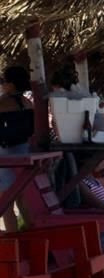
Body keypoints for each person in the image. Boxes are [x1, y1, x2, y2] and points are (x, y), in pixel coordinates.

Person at [0, 66, 34, 232]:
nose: (2, 84)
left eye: (3, 81)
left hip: (7, 154)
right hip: (24, 151)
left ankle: (13, 237)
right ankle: (31, 234)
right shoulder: (28, 103)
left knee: (5, 201)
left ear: (11, 84)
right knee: (22, 199)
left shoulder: (3, 103)